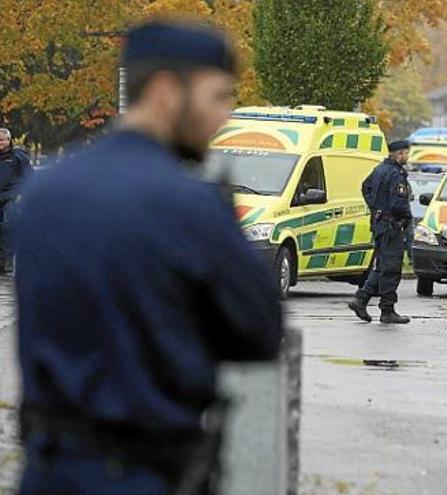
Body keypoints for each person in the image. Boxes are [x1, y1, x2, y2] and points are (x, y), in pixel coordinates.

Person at [13, 21, 283, 494]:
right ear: (165, 91)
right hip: (145, 471)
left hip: (48, 471)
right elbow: (260, 331)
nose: (225, 116)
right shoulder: (188, 204)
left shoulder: (43, 191)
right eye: (218, 97)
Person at [349, 140, 413, 324]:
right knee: (391, 268)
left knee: (382, 266)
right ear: (397, 154)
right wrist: (406, 218)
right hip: (392, 226)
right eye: (405, 153)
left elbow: (365, 186)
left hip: (379, 224)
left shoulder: (379, 170)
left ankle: (360, 300)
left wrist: (375, 208)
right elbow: (398, 204)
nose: (407, 157)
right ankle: (387, 310)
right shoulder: (395, 173)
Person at [0, 127, 33, 271]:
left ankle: (7, 260)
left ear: (8, 140)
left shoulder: (18, 156)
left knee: (7, 224)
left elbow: (28, 176)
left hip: (11, 197)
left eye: (1, 140)